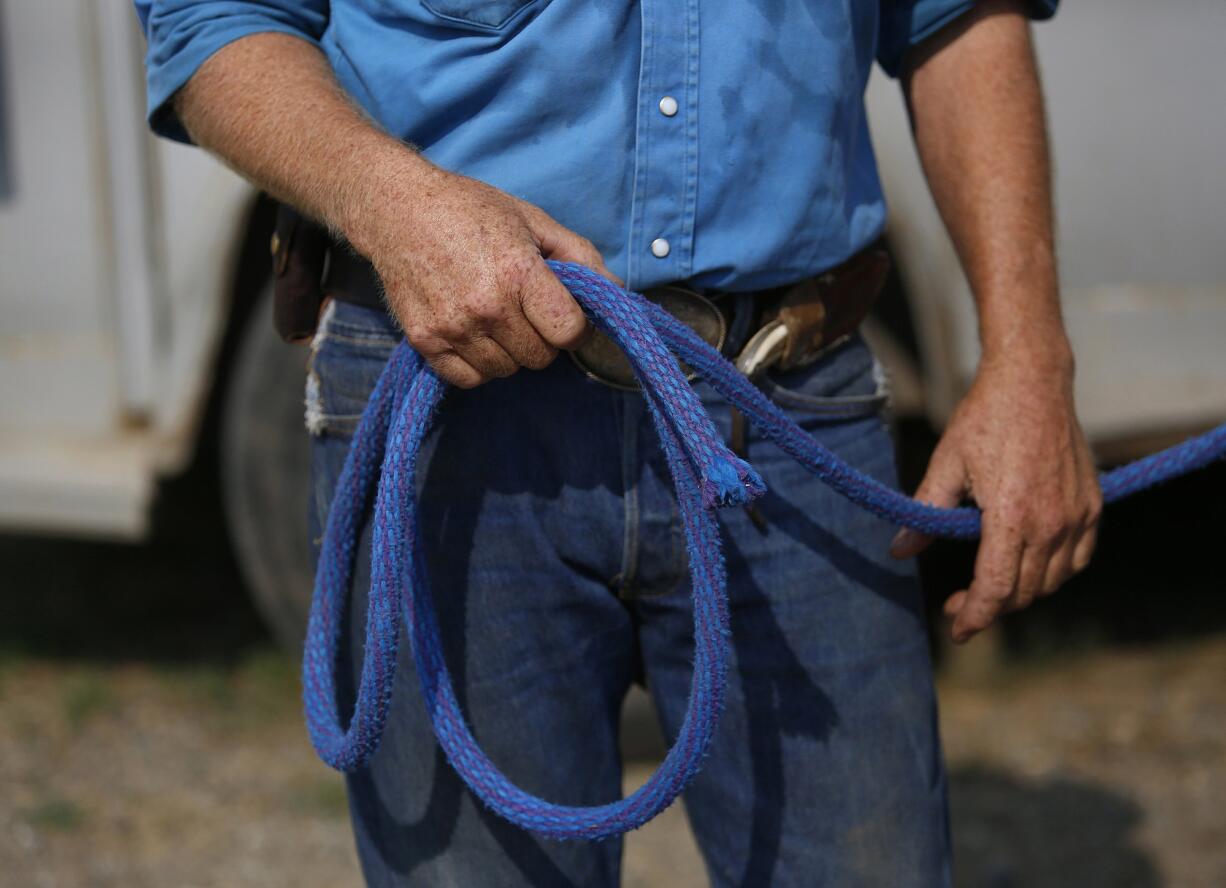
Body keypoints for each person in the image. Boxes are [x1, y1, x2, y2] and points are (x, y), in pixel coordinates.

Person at [136, 1, 1102, 884]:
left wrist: (1029, 357)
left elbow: (959, 16)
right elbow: (214, 17)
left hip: (791, 407)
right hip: (447, 415)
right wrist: (394, 203)